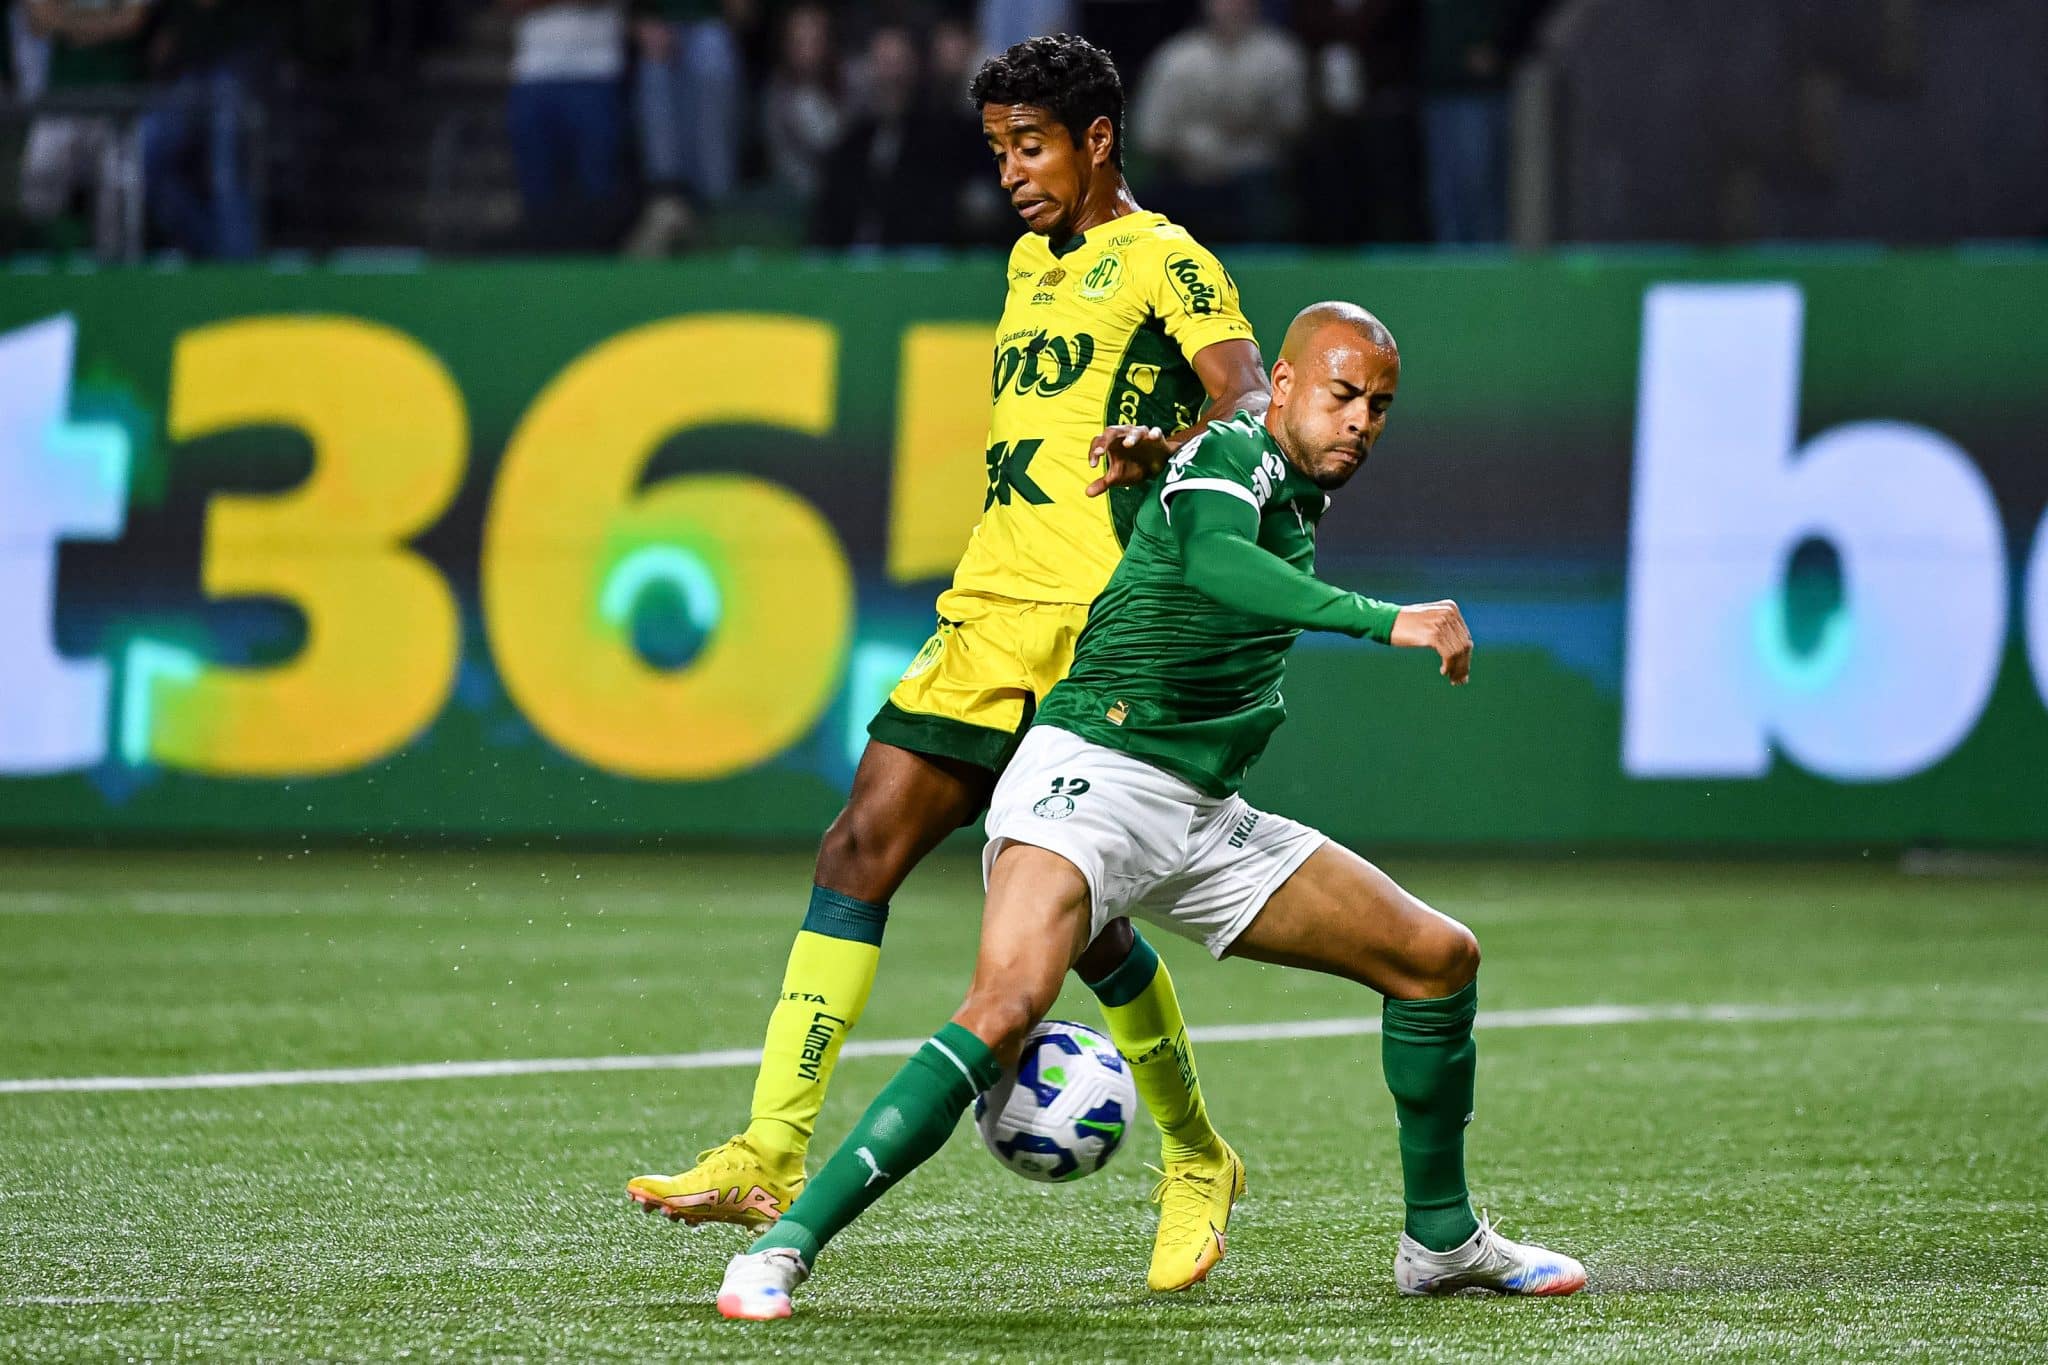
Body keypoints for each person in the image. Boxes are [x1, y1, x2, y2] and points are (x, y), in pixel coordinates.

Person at [714, 301, 1588, 1319]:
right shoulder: (1234, 448)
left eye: (1380, 407)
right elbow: (1216, 561)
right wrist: (1384, 619)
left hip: (1201, 814)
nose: (1360, 422)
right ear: (1289, 385)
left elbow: (1169, 570)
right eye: (1342, 395)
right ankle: (780, 1250)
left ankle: (1440, 1242)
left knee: (1436, 960)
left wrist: (1139, 499)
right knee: (1002, 1010)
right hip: (1083, 783)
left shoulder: (1286, 481)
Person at [628, 32, 1275, 1294]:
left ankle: (1197, 1154)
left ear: (1097, 140)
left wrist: (1169, 440)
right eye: (997, 152)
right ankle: (767, 1147)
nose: (1012, 176)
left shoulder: (1167, 258)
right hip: (985, 612)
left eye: (1030, 146)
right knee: (856, 847)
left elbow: (1249, 400)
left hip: (1096, 629)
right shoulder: (1032, 260)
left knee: (1080, 935)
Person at [1129, 0, 1308, 243]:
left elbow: (1298, 126)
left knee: (1275, 201)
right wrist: (1188, 148)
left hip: (1256, 179)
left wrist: (1259, 113)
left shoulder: (1280, 55)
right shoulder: (1175, 58)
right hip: (1189, 178)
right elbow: (1150, 135)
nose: (1232, 7)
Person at [17, 0, 154, 259]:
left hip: (120, 100)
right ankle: (55, 260)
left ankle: (116, 277)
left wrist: (70, 26)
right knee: (38, 185)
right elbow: (40, 21)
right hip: (62, 98)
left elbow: (133, 21)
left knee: (119, 203)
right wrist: (106, 25)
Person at [500, 0, 628, 251]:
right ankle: (542, 259)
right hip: (533, 75)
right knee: (537, 188)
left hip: (596, 74)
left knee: (598, 184)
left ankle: (598, 256)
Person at [138, 0, 262, 260]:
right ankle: (209, 253)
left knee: (226, 174)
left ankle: (237, 271)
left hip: (235, 64)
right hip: (184, 70)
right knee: (145, 162)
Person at [622, 0, 742, 257]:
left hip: (710, 26)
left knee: (712, 50)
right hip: (656, 25)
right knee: (654, 68)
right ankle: (666, 212)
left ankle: (718, 220)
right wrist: (641, 21)